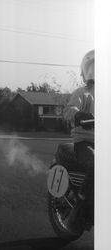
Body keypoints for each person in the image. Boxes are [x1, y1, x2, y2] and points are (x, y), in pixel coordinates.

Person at [63, 50, 94, 226]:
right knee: (98, 164)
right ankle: (78, 212)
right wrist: (78, 115)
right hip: (85, 142)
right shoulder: (83, 92)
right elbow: (69, 110)